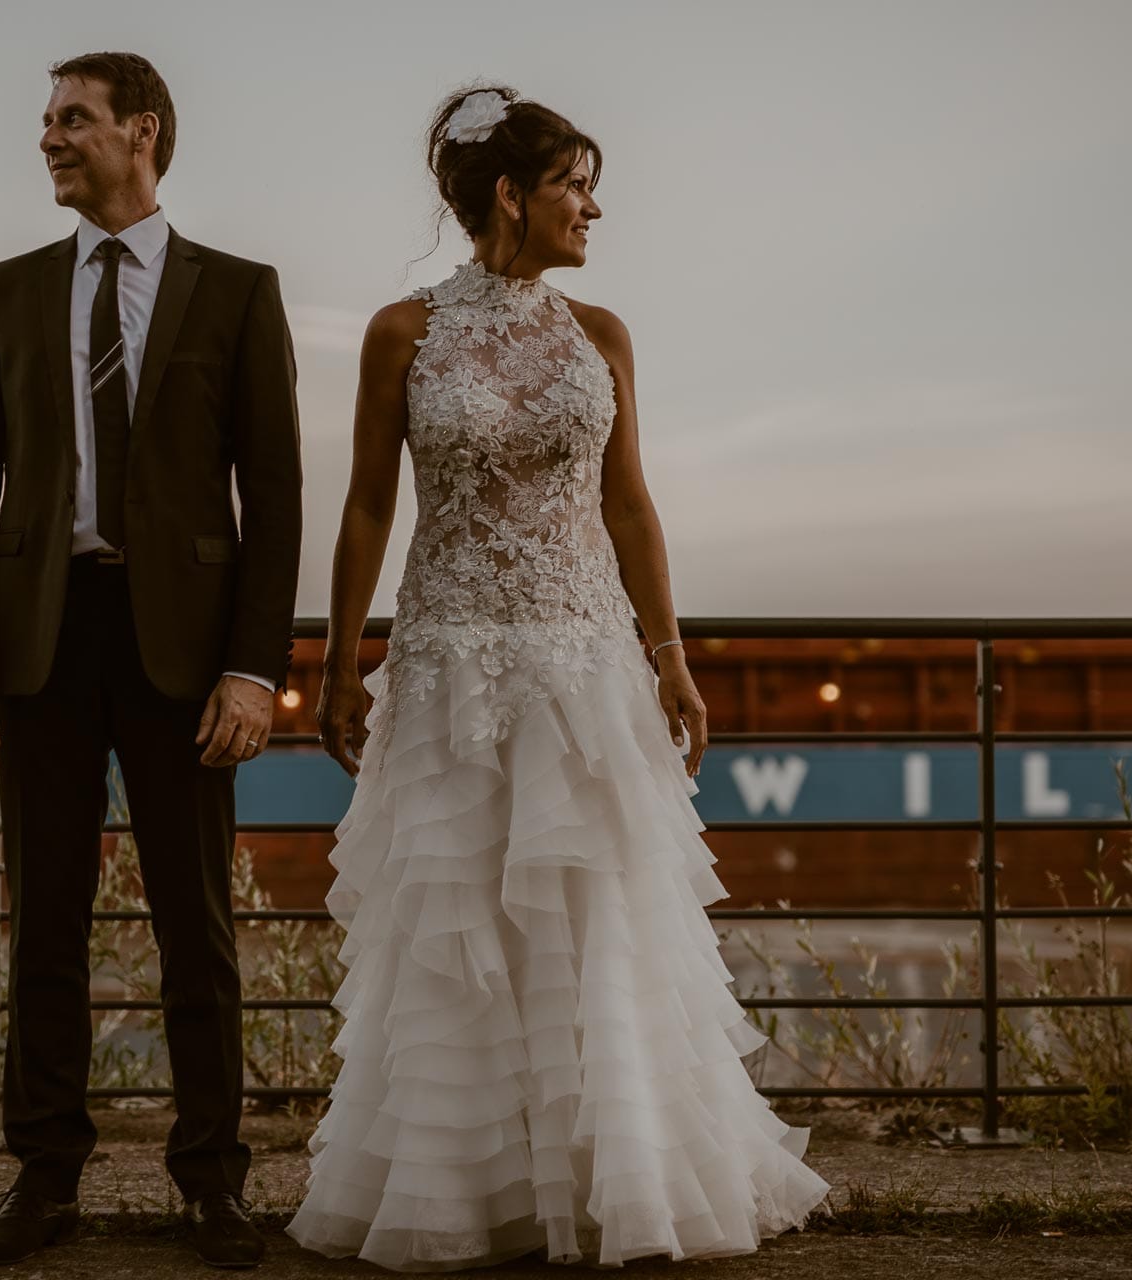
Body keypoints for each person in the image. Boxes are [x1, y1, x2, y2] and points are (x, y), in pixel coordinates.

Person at [285, 85, 830, 1270]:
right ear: (507, 196)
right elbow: (369, 502)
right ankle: (465, 1197)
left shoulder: (602, 333)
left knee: (599, 923)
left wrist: (668, 654)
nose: (593, 207)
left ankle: (615, 1182)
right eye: (575, 184)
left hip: (584, 665)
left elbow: (628, 503)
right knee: (458, 930)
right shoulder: (400, 332)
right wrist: (338, 661)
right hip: (449, 668)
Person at [0, 50, 301, 1269]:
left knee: (196, 923)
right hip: (37, 640)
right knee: (42, 922)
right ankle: (43, 1176)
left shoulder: (239, 292)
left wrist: (255, 668)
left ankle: (210, 1178)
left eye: (71, 119)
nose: (47, 138)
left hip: (185, 652)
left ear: (141, 131)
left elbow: (277, 496)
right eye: (44, 120)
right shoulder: (4, 291)